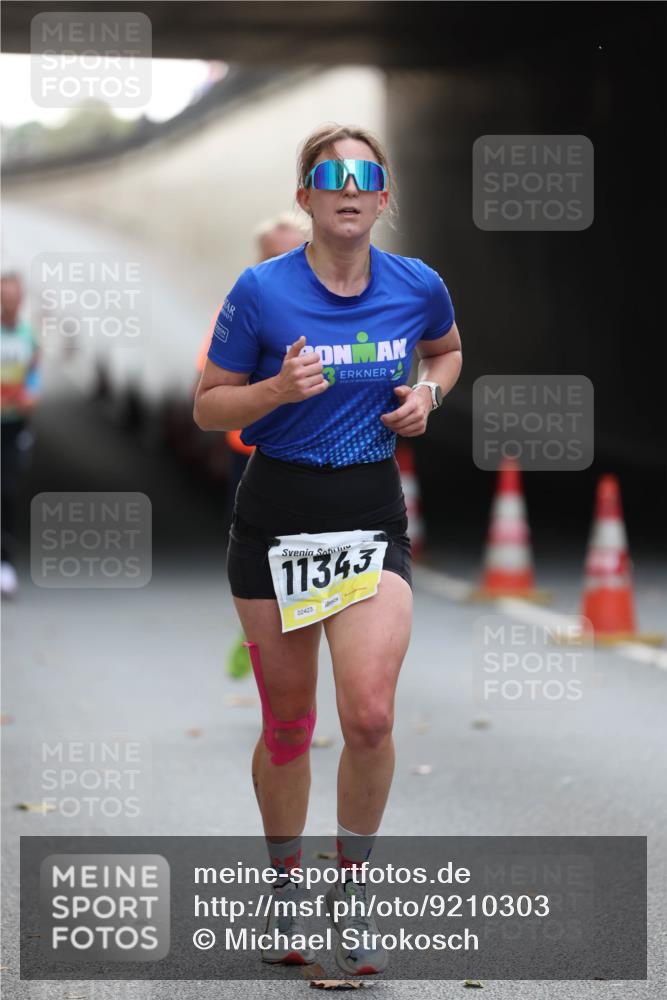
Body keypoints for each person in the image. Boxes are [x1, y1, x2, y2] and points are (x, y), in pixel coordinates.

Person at [194, 124, 462, 976]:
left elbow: (446, 353)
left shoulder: (418, 286)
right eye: (328, 175)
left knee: (372, 714)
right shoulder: (261, 292)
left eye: (365, 175)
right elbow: (208, 406)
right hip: (276, 518)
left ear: (383, 197)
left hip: (368, 519)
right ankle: (284, 895)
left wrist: (426, 392)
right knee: (287, 727)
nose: (348, 188)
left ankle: (352, 899)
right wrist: (273, 390)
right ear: (306, 195)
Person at [194, 214, 309, 678]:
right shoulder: (243, 305)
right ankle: (260, 634)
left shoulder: (324, 305)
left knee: (303, 553)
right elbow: (210, 382)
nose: (281, 260)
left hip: (310, 454)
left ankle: (291, 631)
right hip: (251, 456)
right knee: (258, 557)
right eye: (272, 252)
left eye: (291, 250)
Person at [1, 271, 40, 598]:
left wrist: (27, 396)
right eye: (4, 298)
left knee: (8, 491)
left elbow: (34, 380)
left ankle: (5, 563)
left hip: (14, 427)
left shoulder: (29, 337)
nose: (9, 304)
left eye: (14, 298)